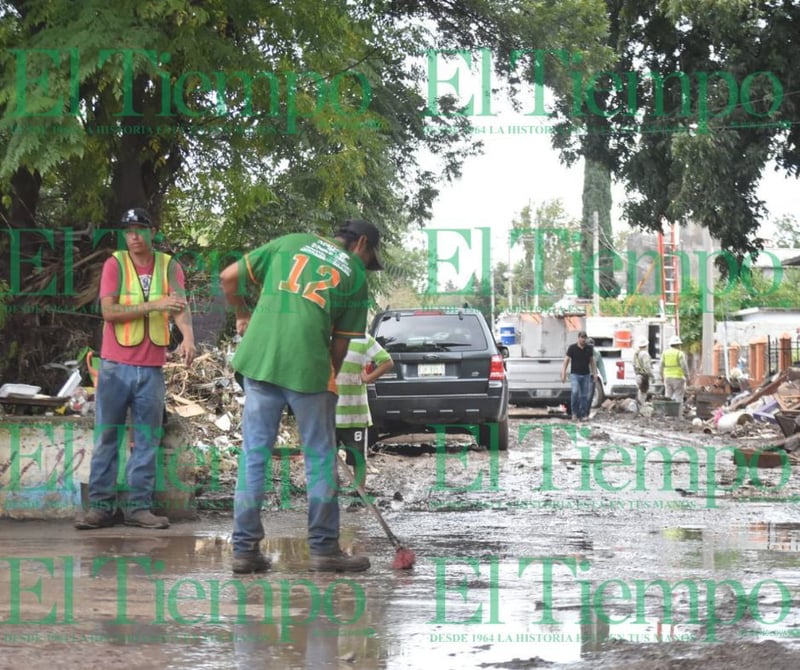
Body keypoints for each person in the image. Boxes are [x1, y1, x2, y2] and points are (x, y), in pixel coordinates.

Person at [220, 219, 382, 574]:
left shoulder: (291, 241)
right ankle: (324, 550)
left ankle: (244, 551)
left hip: (259, 362)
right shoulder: (354, 274)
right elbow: (341, 342)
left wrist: (242, 312)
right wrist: (329, 380)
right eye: (369, 256)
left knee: (254, 456)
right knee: (321, 459)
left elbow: (229, 277)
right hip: (309, 367)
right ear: (362, 244)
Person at [76, 208, 196, 530]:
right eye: (128, 230)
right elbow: (109, 312)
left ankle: (138, 509)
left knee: (146, 440)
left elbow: (180, 307)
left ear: (151, 231)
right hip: (115, 366)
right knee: (107, 437)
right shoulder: (115, 264)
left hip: (152, 368)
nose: (133, 236)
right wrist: (155, 305)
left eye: (139, 229)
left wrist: (188, 338)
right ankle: (100, 508)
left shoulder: (170, 267)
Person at [335, 335, 394, 488]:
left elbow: (387, 361)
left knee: (357, 459)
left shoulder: (363, 338)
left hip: (355, 414)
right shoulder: (321, 334)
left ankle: (359, 496)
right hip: (326, 414)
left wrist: (368, 378)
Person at [561, 330, 597, 421]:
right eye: (582, 337)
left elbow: (592, 362)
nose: (583, 340)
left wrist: (595, 373)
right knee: (575, 392)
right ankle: (574, 413)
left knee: (584, 395)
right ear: (578, 338)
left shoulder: (589, 349)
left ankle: (583, 414)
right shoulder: (572, 348)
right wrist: (563, 372)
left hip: (586, 375)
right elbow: (566, 360)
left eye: (585, 338)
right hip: (575, 375)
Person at [660, 335, 690, 404]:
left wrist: (661, 376)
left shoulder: (665, 353)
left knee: (668, 396)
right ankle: (677, 413)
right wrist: (687, 377)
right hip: (678, 378)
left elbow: (661, 366)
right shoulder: (680, 353)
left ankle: (667, 412)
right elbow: (684, 366)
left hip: (667, 377)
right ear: (678, 344)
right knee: (678, 397)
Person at [586, 338, 606, 410]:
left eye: (591, 346)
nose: (590, 347)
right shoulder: (582, 353)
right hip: (583, 376)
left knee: (590, 395)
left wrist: (604, 378)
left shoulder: (597, 354)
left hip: (592, 377)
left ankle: (586, 412)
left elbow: (601, 367)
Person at [634, 337, 653, 407]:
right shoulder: (645, 354)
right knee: (643, 392)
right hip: (644, 376)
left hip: (638, 375)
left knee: (640, 391)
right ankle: (641, 407)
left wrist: (636, 373)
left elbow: (634, 365)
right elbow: (647, 366)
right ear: (646, 345)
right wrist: (651, 375)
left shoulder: (636, 354)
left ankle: (639, 407)